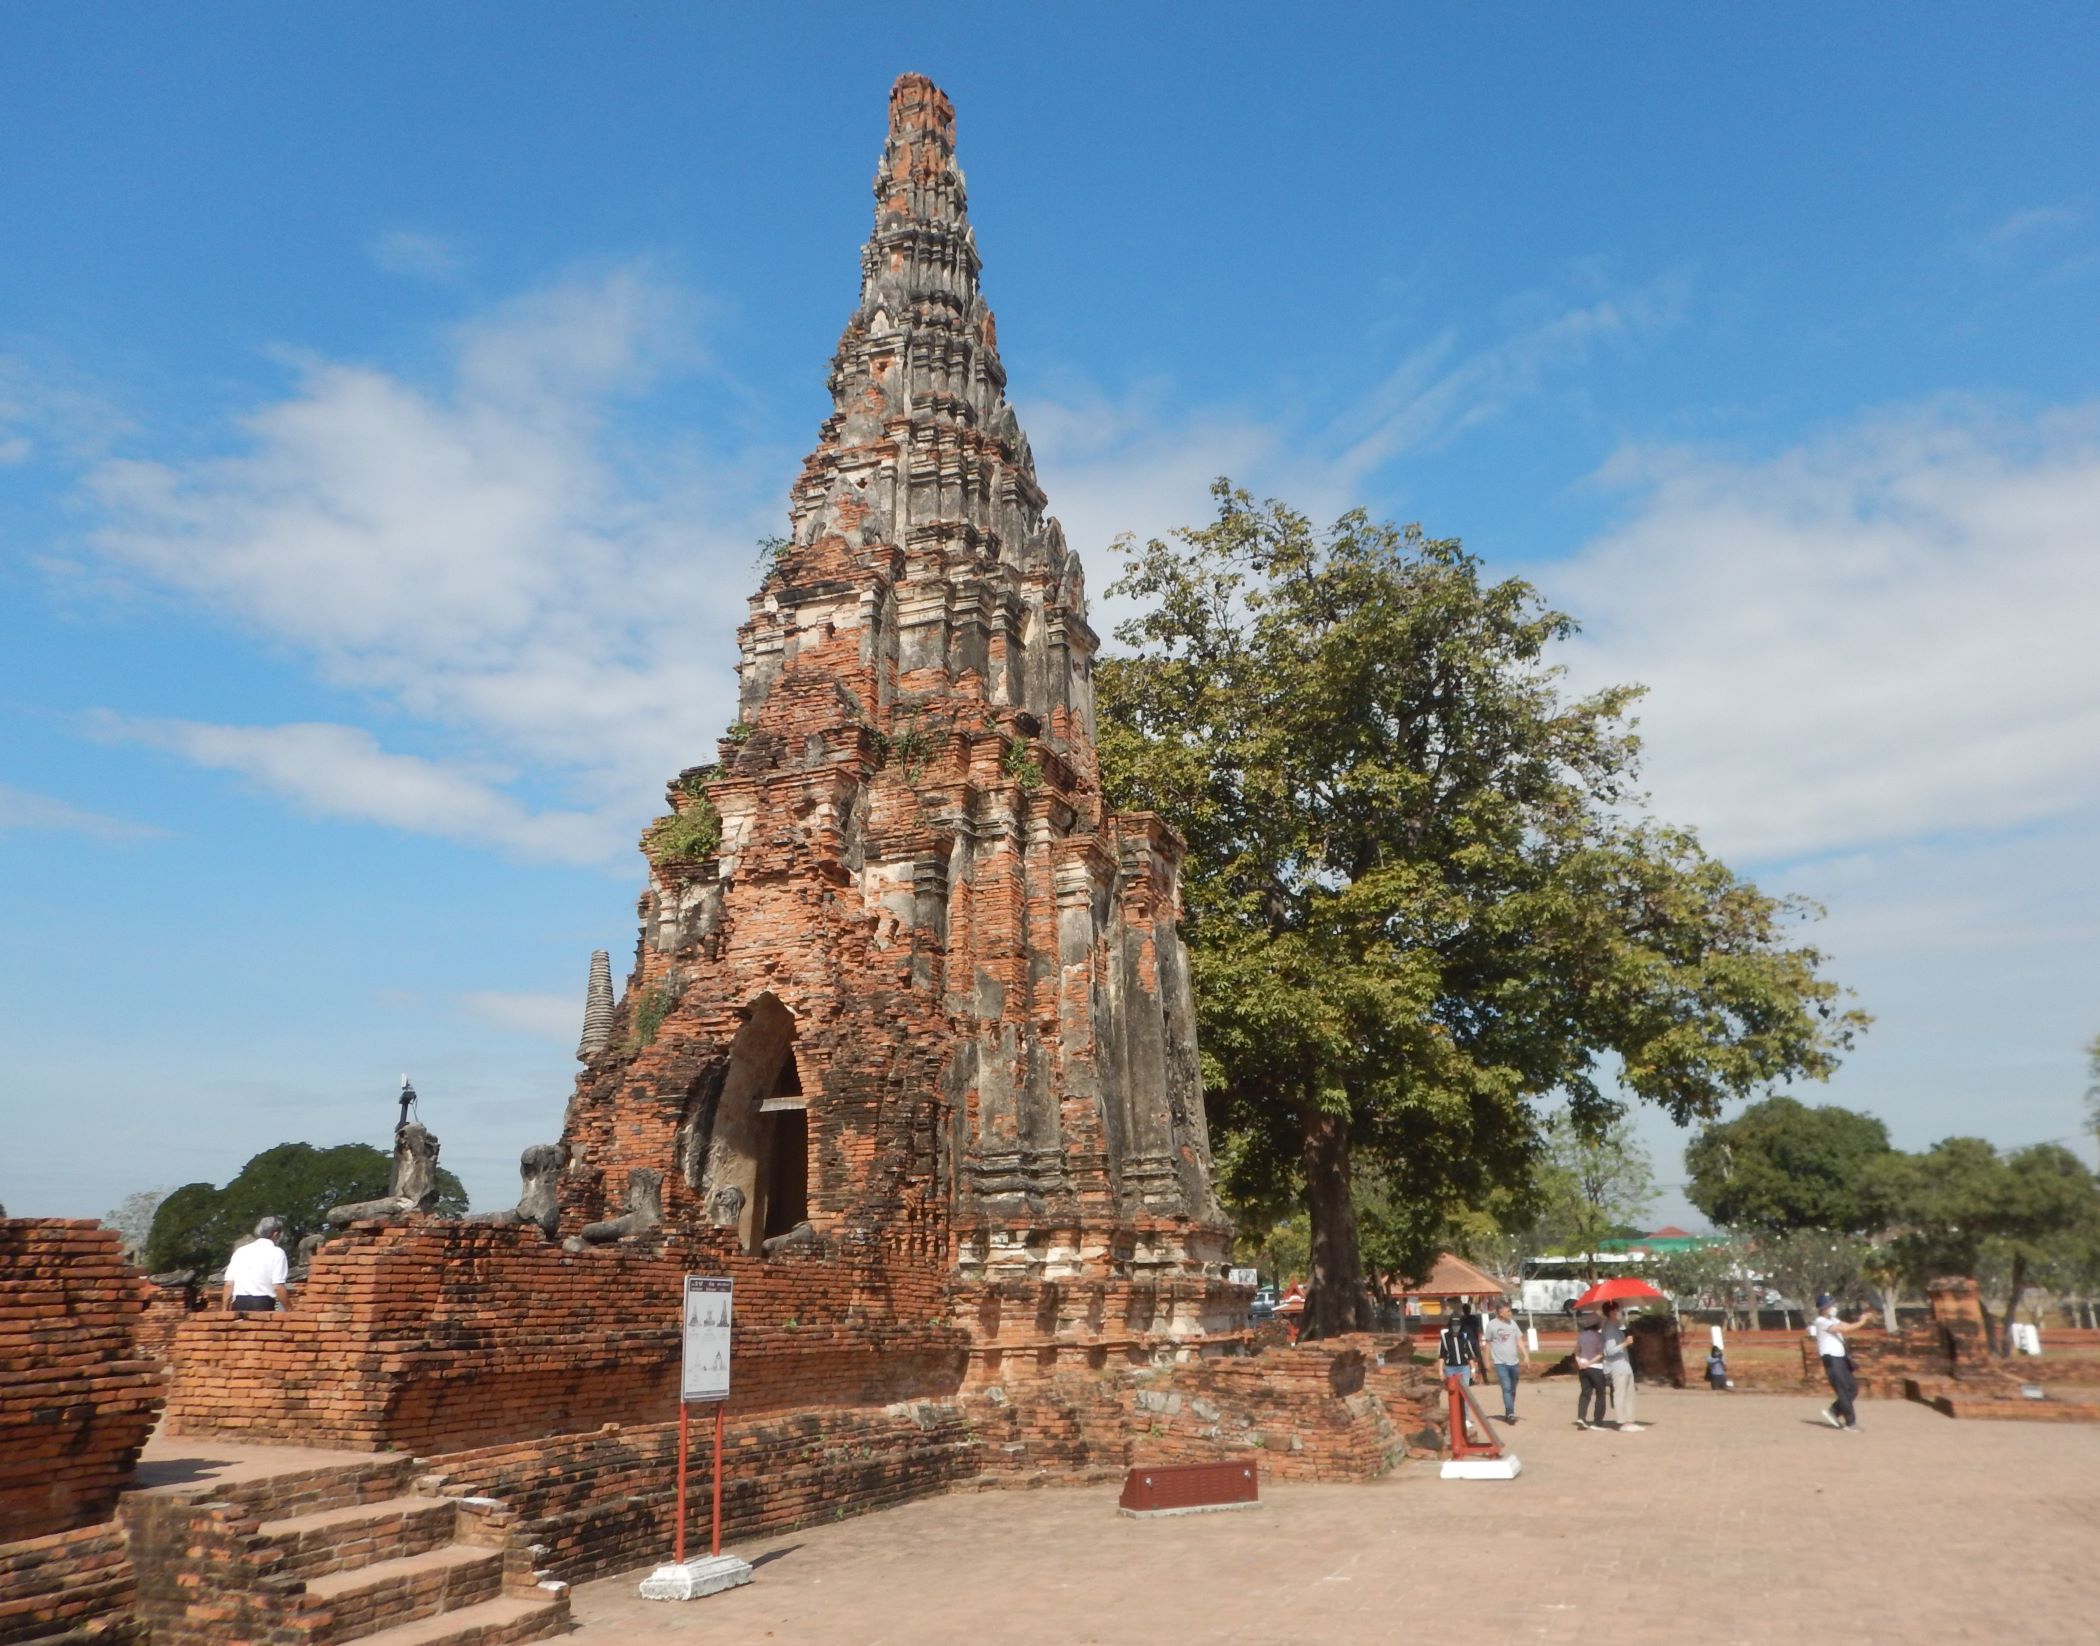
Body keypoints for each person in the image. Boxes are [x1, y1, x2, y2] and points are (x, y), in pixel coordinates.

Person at [1808, 1293, 1860, 1430]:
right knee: (1842, 1389)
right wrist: (1863, 1322)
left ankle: (1834, 1411)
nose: (1833, 1307)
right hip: (1831, 1359)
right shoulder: (1821, 1321)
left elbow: (1846, 1325)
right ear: (1824, 1308)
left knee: (1853, 1388)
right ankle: (1850, 1422)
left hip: (1841, 1359)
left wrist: (1861, 1319)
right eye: (1830, 1305)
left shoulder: (1832, 1319)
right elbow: (1844, 1329)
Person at [222, 1216, 291, 1314]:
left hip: (238, 1303)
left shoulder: (240, 1251)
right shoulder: (277, 1252)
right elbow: (278, 1287)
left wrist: (224, 1310)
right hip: (262, 1304)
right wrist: (289, 1308)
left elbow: (229, 1284)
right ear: (275, 1234)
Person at [1482, 1301, 1531, 1422]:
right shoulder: (1492, 1325)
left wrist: (1526, 1355)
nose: (1510, 1313)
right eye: (1508, 1311)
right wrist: (1486, 1360)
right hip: (1500, 1363)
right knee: (1506, 1387)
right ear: (1500, 1313)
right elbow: (1488, 1344)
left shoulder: (1513, 1324)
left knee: (1512, 1388)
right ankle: (1510, 1413)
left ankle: (1510, 1409)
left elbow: (1519, 1340)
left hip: (1514, 1362)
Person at [1600, 1301, 1643, 1431]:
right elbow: (1609, 1351)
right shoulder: (1609, 1329)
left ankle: (1630, 1420)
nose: (1619, 1313)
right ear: (1611, 1312)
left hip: (1625, 1365)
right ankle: (1622, 1422)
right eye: (1618, 1310)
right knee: (1620, 1394)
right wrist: (1625, 1343)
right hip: (1617, 1367)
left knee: (1630, 1394)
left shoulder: (1616, 1326)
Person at [1574, 1311, 1611, 1429]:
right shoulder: (1600, 1337)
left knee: (1585, 1393)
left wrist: (1580, 1362)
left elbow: (1576, 1351)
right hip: (1596, 1368)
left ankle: (1581, 1417)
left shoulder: (1582, 1335)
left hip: (1583, 1367)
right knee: (1600, 1394)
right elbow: (1601, 1354)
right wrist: (1590, 1363)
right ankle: (1598, 1420)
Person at [1437, 1312, 1480, 1385]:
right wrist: (1440, 1370)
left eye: (1458, 1325)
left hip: (1464, 1368)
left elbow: (1469, 1355)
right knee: (1453, 1391)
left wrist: (1473, 1370)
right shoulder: (1445, 1337)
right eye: (1454, 1325)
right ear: (1450, 1325)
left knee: (1464, 1391)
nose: (1456, 1327)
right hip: (1450, 1368)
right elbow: (1442, 1355)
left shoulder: (1464, 1336)